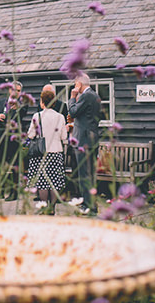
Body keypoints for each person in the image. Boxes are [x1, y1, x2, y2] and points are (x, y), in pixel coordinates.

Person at [26, 90, 67, 214]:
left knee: (43, 183)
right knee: (54, 182)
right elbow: (64, 137)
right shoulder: (60, 117)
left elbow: (31, 134)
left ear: (42, 102)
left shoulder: (37, 116)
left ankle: (44, 209)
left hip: (40, 153)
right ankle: (52, 209)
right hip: (55, 153)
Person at [67, 73, 101, 215]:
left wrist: (72, 97)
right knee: (90, 174)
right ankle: (91, 204)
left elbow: (73, 111)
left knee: (84, 175)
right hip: (92, 139)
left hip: (83, 141)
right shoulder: (95, 96)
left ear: (80, 83)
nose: (75, 86)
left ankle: (88, 206)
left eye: (75, 84)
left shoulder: (86, 96)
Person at [0, 81, 28, 201]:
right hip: (1, 137)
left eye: (18, 91)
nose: (16, 92)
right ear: (9, 90)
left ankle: (14, 193)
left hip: (13, 138)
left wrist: (17, 108)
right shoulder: (2, 101)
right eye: (14, 90)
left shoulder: (22, 104)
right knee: (0, 165)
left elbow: (22, 115)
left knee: (14, 166)